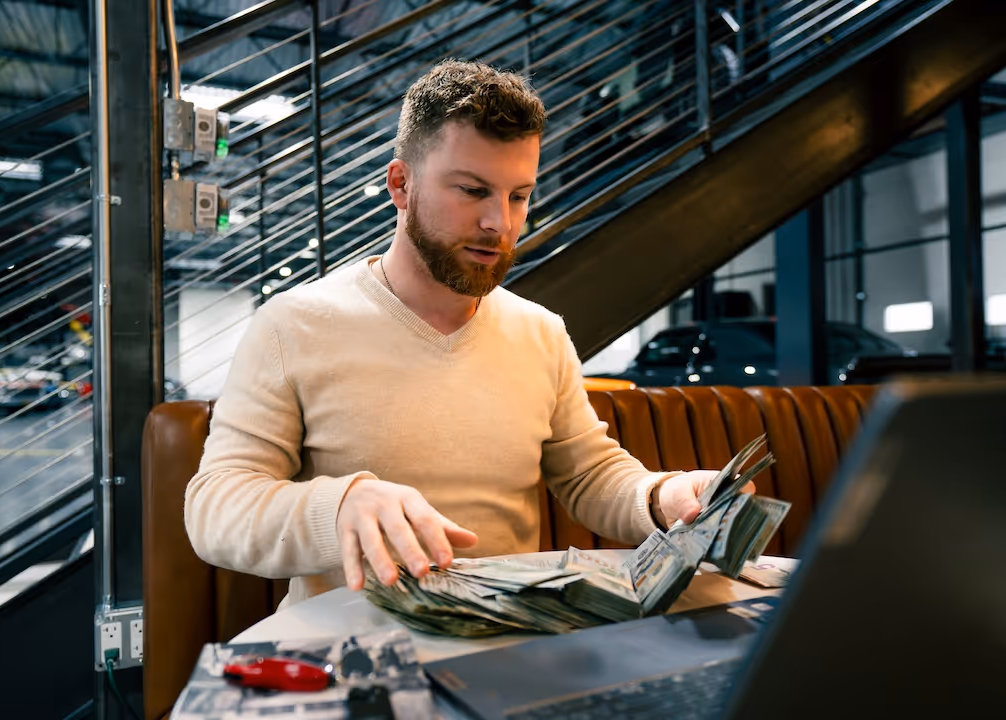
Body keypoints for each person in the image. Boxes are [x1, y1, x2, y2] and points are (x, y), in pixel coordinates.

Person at [185, 59, 753, 606]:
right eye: (472, 191)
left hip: (505, 645)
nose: (499, 223)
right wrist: (338, 507)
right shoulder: (294, 325)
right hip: (353, 652)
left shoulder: (541, 332)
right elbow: (215, 507)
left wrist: (665, 497)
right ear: (400, 184)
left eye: (519, 196)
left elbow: (589, 475)